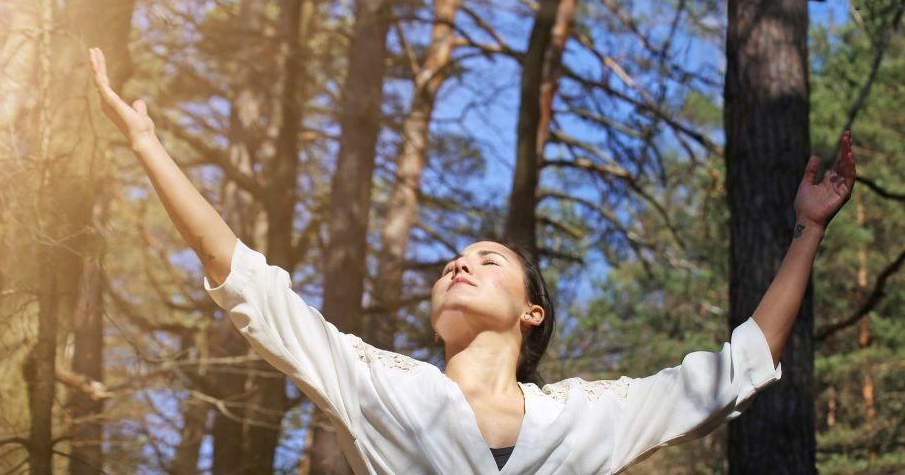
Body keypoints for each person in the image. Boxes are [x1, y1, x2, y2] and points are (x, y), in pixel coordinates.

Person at [89, 46, 856, 474]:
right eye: (452, 260)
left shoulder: (590, 416)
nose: (459, 266)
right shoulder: (375, 384)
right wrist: (149, 147)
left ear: (532, 311)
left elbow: (742, 364)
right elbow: (242, 278)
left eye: (486, 259)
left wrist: (807, 232)